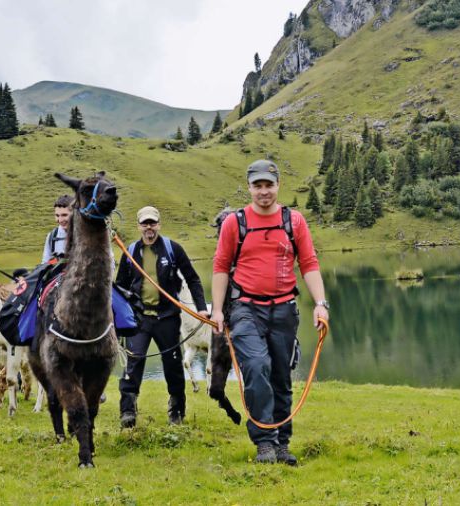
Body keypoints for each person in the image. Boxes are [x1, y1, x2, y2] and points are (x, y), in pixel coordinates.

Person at [211, 159, 329, 466]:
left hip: (284, 310)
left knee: (280, 375)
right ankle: (264, 441)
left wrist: (320, 303)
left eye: (269, 185)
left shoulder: (295, 221)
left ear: (278, 186)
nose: (263, 191)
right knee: (256, 367)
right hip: (245, 309)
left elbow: (310, 263)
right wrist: (219, 311)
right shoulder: (234, 223)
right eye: (257, 185)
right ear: (249, 187)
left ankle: (282, 443)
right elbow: (221, 267)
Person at [116, 206, 209, 428]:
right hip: (138, 318)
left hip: (167, 317)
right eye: (145, 223)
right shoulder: (130, 252)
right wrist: (120, 314)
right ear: (139, 226)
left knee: (173, 365)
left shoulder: (172, 249)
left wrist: (201, 309)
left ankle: (176, 409)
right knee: (134, 361)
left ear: (159, 224)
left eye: (152, 223)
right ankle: (128, 410)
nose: (149, 227)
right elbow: (119, 286)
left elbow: (193, 279)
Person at [42, 194, 72, 263]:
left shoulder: (87, 236)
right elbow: (45, 264)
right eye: (57, 215)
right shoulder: (52, 236)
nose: (60, 220)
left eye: (64, 215)